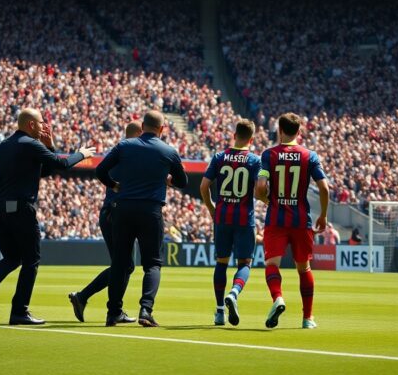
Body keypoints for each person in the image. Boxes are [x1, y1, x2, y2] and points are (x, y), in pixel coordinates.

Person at [0, 108, 95, 326]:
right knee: (31, 260)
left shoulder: (6, 145)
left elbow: (44, 171)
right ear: (30, 124)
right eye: (41, 122)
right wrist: (81, 154)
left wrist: (49, 145)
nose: (44, 126)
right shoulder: (30, 144)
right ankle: (19, 311)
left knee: (12, 257)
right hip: (20, 208)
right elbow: (62, 164)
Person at [96, 110, 188, 327]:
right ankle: (145, 310)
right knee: (153, 264)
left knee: (119, 262)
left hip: (123, 209)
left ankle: (113, 313)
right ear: (162, 128)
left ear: (143, 125)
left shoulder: (124, 146)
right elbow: (183, 182)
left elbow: (101, 170)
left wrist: (113, 185)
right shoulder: (168, 151)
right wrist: (168, 179)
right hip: (151, 211)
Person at [254, 113, 329, 330]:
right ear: (299, 132)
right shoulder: (309, 155)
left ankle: (278, 298)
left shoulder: (269, 154)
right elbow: (324, 188)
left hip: (276, 218)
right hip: (301, 220)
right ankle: (308, 318)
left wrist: (267, 199)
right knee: (304, 268)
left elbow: (260, 186)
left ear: (279, 130)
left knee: (271, 264)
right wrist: (323, 215)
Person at [68, 122, 143, 323]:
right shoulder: (129, 152)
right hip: (116, 214)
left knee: (124, 265)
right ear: (139, 133)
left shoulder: (119, 151)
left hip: (112, 213)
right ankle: (87, 298)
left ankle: (87, 299)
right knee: (123, 265)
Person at [199, 119, 261, 326]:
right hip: (244, 218)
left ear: (234, 135)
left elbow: (204, 186)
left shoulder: (219, 157)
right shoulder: (254, 160)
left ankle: (218, 312)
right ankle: (234, 293)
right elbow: (260, 189)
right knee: (245, 263)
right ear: (251, 139)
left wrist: (211, 207)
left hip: (222, 217)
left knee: (221, 262)